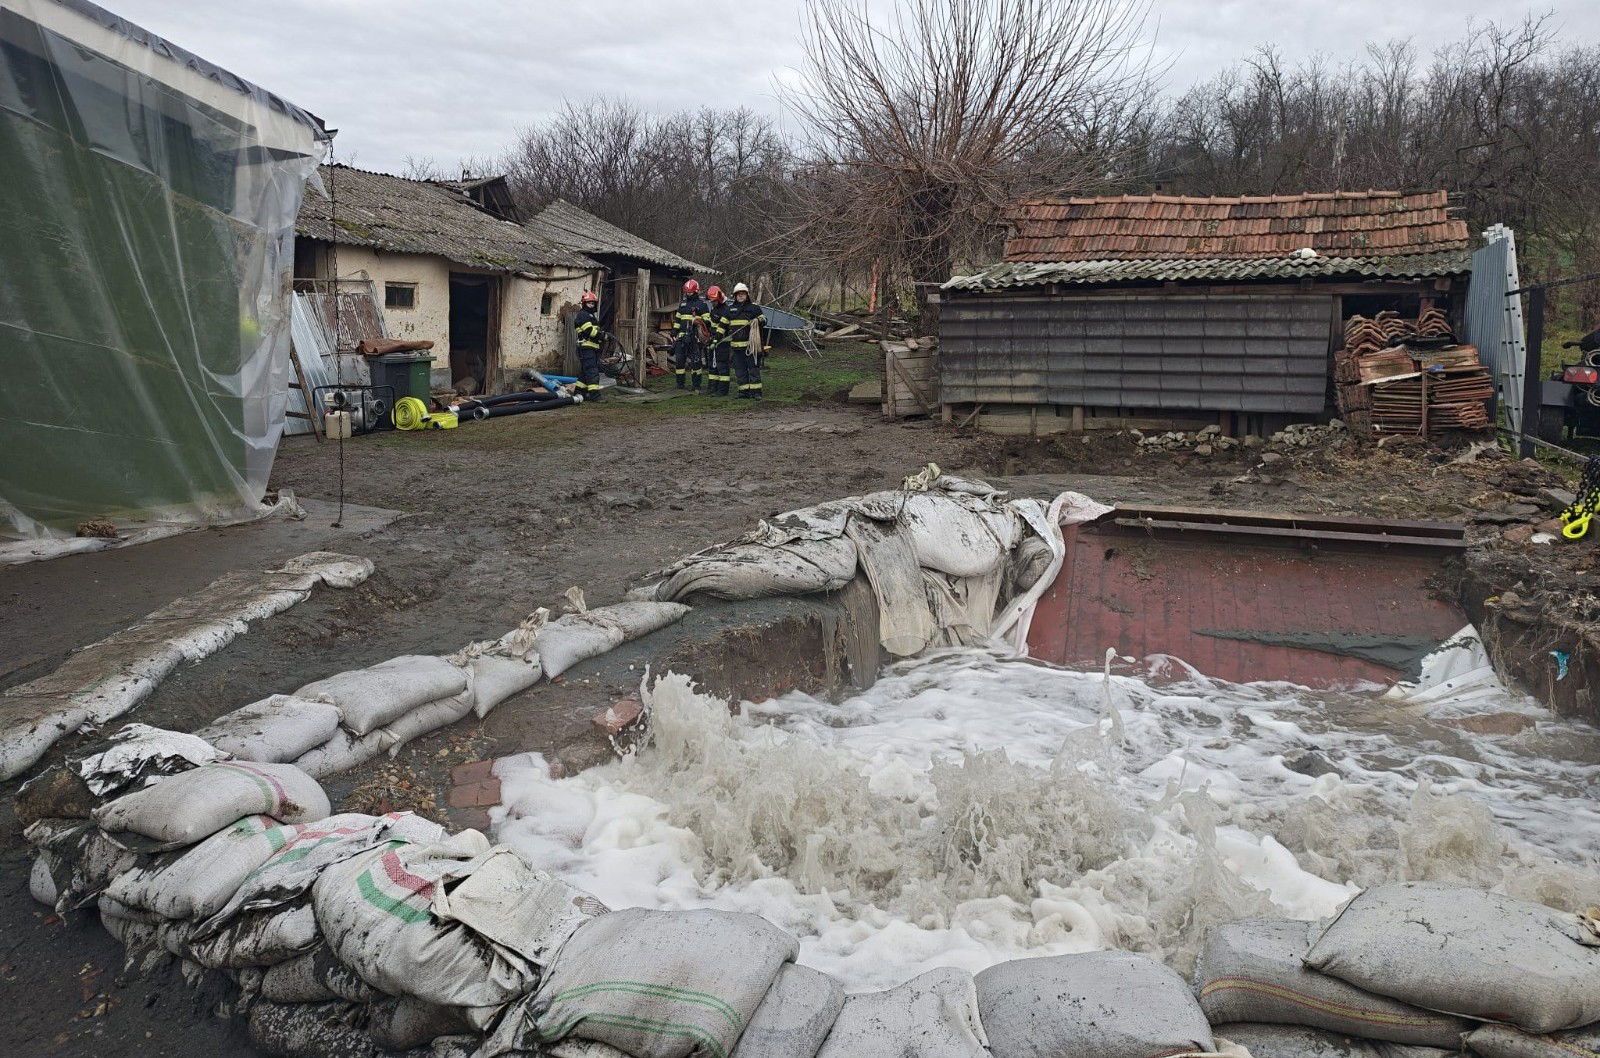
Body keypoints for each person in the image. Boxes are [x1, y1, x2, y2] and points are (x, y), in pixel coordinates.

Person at [720, 282, 770, 399]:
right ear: (735, 296)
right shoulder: (730, 309)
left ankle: (756, 393)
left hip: (751, 347)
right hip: (736, 348)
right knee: (740, 371)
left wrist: (759, 321)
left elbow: (764, 319)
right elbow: (723, 325)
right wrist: (717, 336)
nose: (741, 296)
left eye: (743, 294)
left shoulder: (754, 308)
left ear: (747, 295)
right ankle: (743, 392)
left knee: (753, 370)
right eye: (738, 294)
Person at [671, 279, 713, 391]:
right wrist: (674, 331)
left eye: (691, 292)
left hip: (695, 338)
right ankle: (680, 385)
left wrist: (699, 320)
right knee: (679, 361)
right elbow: (678, 319)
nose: (689, 294)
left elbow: (708, 322)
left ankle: (696, 385)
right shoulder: (683, 304)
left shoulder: (702, 305)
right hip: (682, 336)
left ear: (696, 291)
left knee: (696, 362)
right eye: (687, 292)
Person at [573, 290, 603, 402]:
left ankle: (579, 393)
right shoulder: (583, 315)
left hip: (591, 347)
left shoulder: (590, 315)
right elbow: (590, 331)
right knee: (592, 371)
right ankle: (595, 396)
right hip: (586, 347)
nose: (591, 305)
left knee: (585, 372)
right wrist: (602, 335)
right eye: (589, 303)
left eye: (593, 303)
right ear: (584, 304)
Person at [704, 284, 731, 396]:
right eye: (711, 301)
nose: (712, 303)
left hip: (723, 341)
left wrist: (716, 340)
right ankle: (712, 387)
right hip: (713, 340)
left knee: (722, 366)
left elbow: (723, 328)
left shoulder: (726, 310)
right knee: (712, 365)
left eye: (714, 301)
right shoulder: (714, 309)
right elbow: (712, 324)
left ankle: (722, 390)